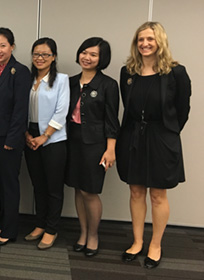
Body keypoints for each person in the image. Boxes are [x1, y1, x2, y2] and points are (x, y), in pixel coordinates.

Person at [117, 22, 191, 269]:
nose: (145, 44)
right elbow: (128, 109)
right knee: (136, 191)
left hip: (162, 138)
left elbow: (182, 111)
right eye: (140, 40)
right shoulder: (127, 72)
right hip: (133, 137)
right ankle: (137, 242)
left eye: (150, 39)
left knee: (158, 194)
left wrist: (168, 133)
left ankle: (155, 244)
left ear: (160, 41)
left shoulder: (176, 72)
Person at [65, 37, 120, 257]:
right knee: (78, 189)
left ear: (101, 59)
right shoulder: (69, 82)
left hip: (95, 144)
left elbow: (112, 120)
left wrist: (110, 149)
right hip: (71, 141)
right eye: (84, 52)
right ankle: (83, 232)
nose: (87, 58)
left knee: (90, 191)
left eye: (93, 55)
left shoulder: (108, 85)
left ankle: (94, 235)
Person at [0, 28, 31, 246]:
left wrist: (12, 141)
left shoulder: (20, 72)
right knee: (1, 183)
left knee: (10, 184)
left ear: (12, 46)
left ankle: (10, 230)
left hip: (8, 139)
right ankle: (3, 223)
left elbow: (21, 110)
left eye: (3, 45)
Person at [24, 37, 69, 250]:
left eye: (45, 54)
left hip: (53, 139)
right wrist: (25, 133)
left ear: (54, 57)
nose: (40, 58)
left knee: (53, 187)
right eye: (36, 54)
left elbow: (61, 111)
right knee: (38, 184)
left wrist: (45, 136)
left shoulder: (61, 80)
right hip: (29, 136)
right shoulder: (27, 78)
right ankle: (40, 224)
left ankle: (52, 228)